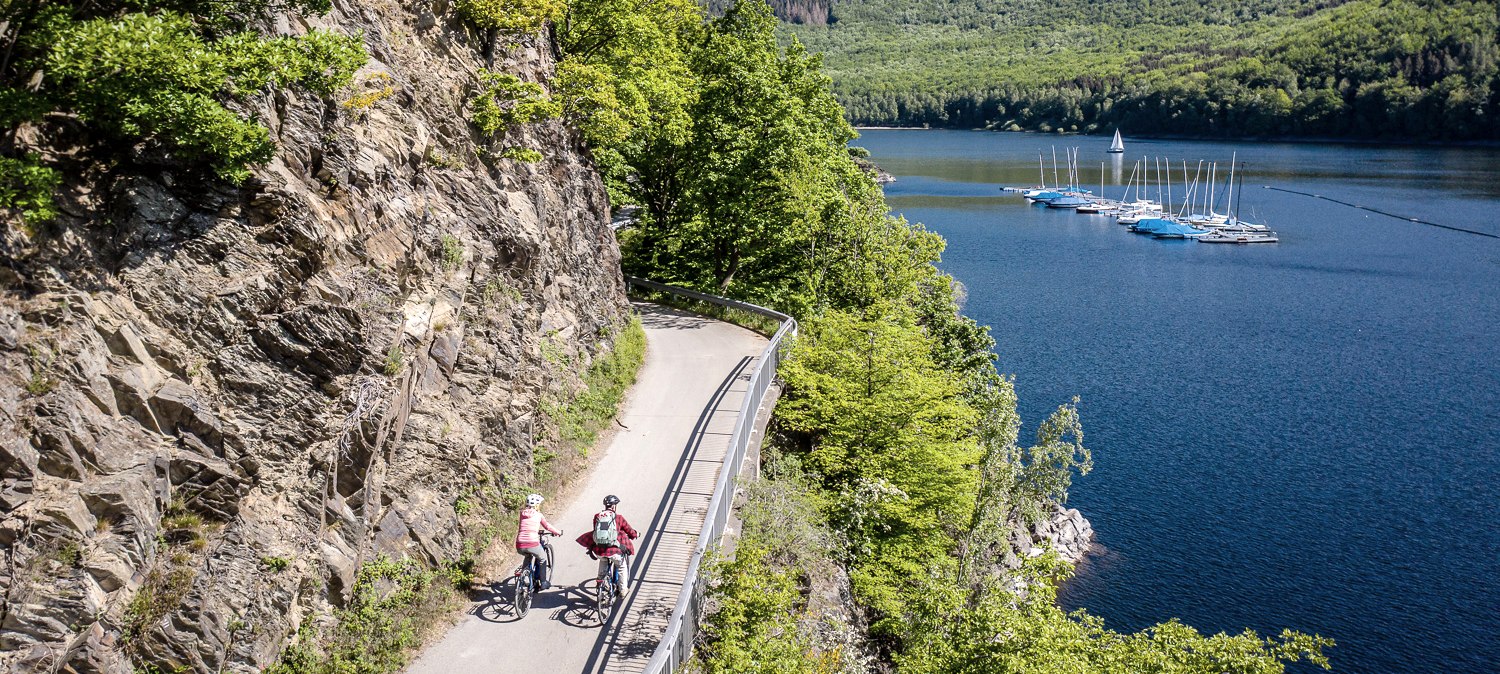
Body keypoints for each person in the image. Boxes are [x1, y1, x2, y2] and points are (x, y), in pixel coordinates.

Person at [575, 494, 639, 595]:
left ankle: (600, 582)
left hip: (599, 550)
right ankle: (623, 590)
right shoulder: (618, 517)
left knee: (603, 560)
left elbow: (596, 531)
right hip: (614, 550)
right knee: (622, 566)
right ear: (614, 506)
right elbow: (629, 530)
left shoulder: (597, 516)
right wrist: (635, 534)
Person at [515, 493, 561, 589]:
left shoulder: (522, 513)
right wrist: (558, 532)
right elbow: (547, 526)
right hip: (532, 543)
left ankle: (524, 578)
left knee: (528, 556)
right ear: (536, 505)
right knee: (542, 559)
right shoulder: (538, 515)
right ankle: (543, 582)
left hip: (520, 544)